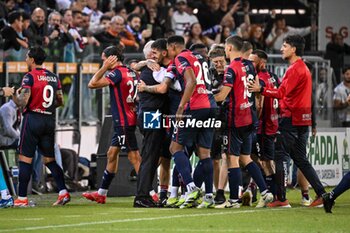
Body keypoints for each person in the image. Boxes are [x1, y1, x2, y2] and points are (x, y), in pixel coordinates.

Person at [248, 34, 326, 207]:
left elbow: (281, 93)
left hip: (291, 120)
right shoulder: (303, 68)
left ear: (293, 49)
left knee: (279, 156)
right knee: (300, 159)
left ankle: (281, 199)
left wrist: (261, 89)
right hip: (302, 121)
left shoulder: (295, 69)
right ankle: (321, 194)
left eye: (284, 45)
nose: (281, 49)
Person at [214, 35, 273, 208]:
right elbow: (255, 90)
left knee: (232, 159)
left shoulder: (231, 68)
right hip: (249, 116)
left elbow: (223, 95)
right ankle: (265, 191)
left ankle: (233, 200)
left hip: (236, 119)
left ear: (230, 48)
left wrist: (206, 96)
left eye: (225, 47)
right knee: (246, 158)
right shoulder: (249, 65)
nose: (225, 50)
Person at [82, 45, 141, 204]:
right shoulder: (131, 71)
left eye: (104, 59)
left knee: (133, 156)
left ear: (112, 58)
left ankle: (149, 192)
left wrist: (104, 68)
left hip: (123, 121)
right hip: (126, 118)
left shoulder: (116, 73)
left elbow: (92, 84)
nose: (103, 62)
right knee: (111, 154)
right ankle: (102, 193)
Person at [14, 46, 69, 207]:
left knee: (25, 159)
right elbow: (60, 101)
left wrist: (13, 95)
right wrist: (47, 108)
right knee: (49, 159)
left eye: (26, 57)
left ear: (31, 59)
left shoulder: (29, 77)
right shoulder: (54, 77)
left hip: (33, 119)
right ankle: (63, 192)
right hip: (49, 120)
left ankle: (22, 198)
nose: (25, 60)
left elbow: (22, 103)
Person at [134, 38, 172, 208]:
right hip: (151, 115)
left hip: (152, 114)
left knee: (153, 155)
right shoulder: (151, 70)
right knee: (150, 155)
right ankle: (142, 196)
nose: (152, 55)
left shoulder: (152, 67)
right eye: (152, 52)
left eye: (155, 52)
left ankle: (145, 194)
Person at [247, 49, 279, 207]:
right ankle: (260, 189)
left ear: (262, 63)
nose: (250, 64)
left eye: (253, 61)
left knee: (265, 162)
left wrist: (254, 123)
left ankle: (269, 194)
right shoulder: (272, 76)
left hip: (263, 126)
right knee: (262, 159)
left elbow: (259, 106)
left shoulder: (260, 79)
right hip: (272, 124)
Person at [208, 45, 228, 205]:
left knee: (226, 157)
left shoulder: (231, 74)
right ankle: (217, 192)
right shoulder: (209, 75)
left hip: (228, 120)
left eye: (221, 61)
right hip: (213, 121)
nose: (218, 65)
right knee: (214, 159)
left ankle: (221, 191)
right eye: (215, 62)